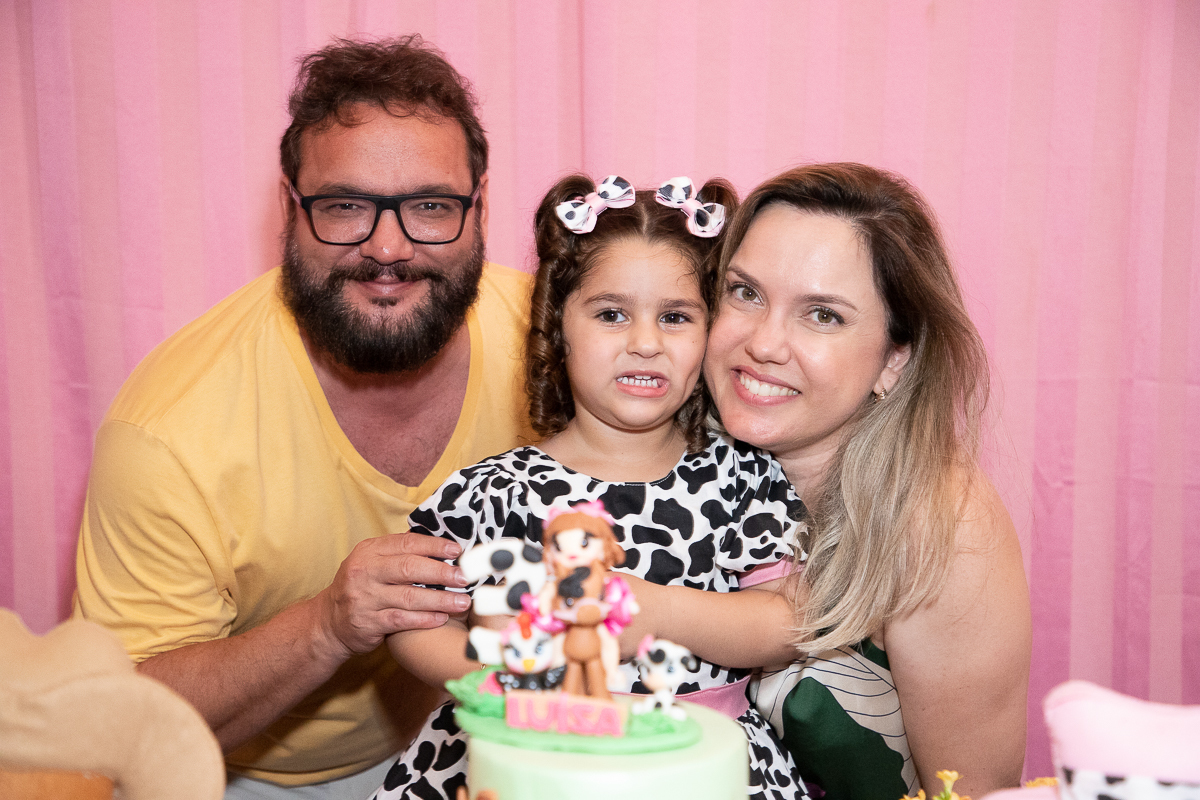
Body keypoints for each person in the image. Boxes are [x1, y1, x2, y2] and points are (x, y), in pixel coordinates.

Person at [73, 36, 536, 797]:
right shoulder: (167, 431)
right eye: (346, 207)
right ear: (292, 209)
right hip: (247, 773)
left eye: (430, 206)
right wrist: (327, 625)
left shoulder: (558, 344)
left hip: (480, 742)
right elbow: (124, 723)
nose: (388, 249)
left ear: (479, 206)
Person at [373, 175, 812, 800]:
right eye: (611, 314)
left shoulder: (744, 476)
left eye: (676, 317)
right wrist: (496, 681)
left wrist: (653, 612)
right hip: (527, 761)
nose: (645, 343)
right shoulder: (496, 490)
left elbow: (787, 621)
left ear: (712, 333)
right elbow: (410, 620)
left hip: (697, 766)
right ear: (559, 328)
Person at [702, 163, 1031, 800]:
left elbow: (973, 792)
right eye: (745, 292)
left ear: (894, 358)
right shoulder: (670, 461)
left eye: (823, 315)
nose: (764, 343)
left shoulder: (939, 526)